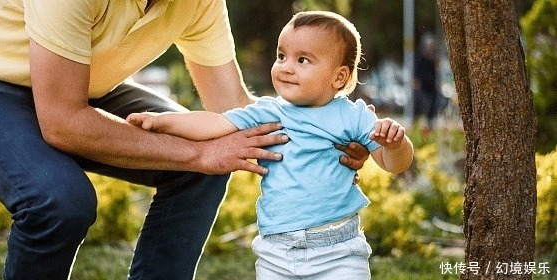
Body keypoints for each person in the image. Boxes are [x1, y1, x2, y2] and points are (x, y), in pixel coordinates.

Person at [0, 1, 371, 279]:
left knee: (201, 169)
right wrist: (199, 152)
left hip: (81, 84)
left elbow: (232, 108)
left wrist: (324, 138)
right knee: (59, 201)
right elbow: (62, 121)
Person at [127, 11, 414, 279]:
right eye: (281, 56)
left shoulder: (354, 116)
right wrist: (164, 121)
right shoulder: (267, 112)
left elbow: (394, 164)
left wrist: (395, 144)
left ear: (338, 76)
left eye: (303, 60)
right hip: (277, 251)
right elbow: (215, 124)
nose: (286, 67)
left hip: (338, 250)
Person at [413, 33, 440, 132]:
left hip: (432, 87)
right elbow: (416, 71)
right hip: (422, 87)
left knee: (432, 108)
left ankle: (430, 126)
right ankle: (416, 126)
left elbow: (436, 71)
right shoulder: (420, 57)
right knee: (421, 106)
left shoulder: (434, 57)